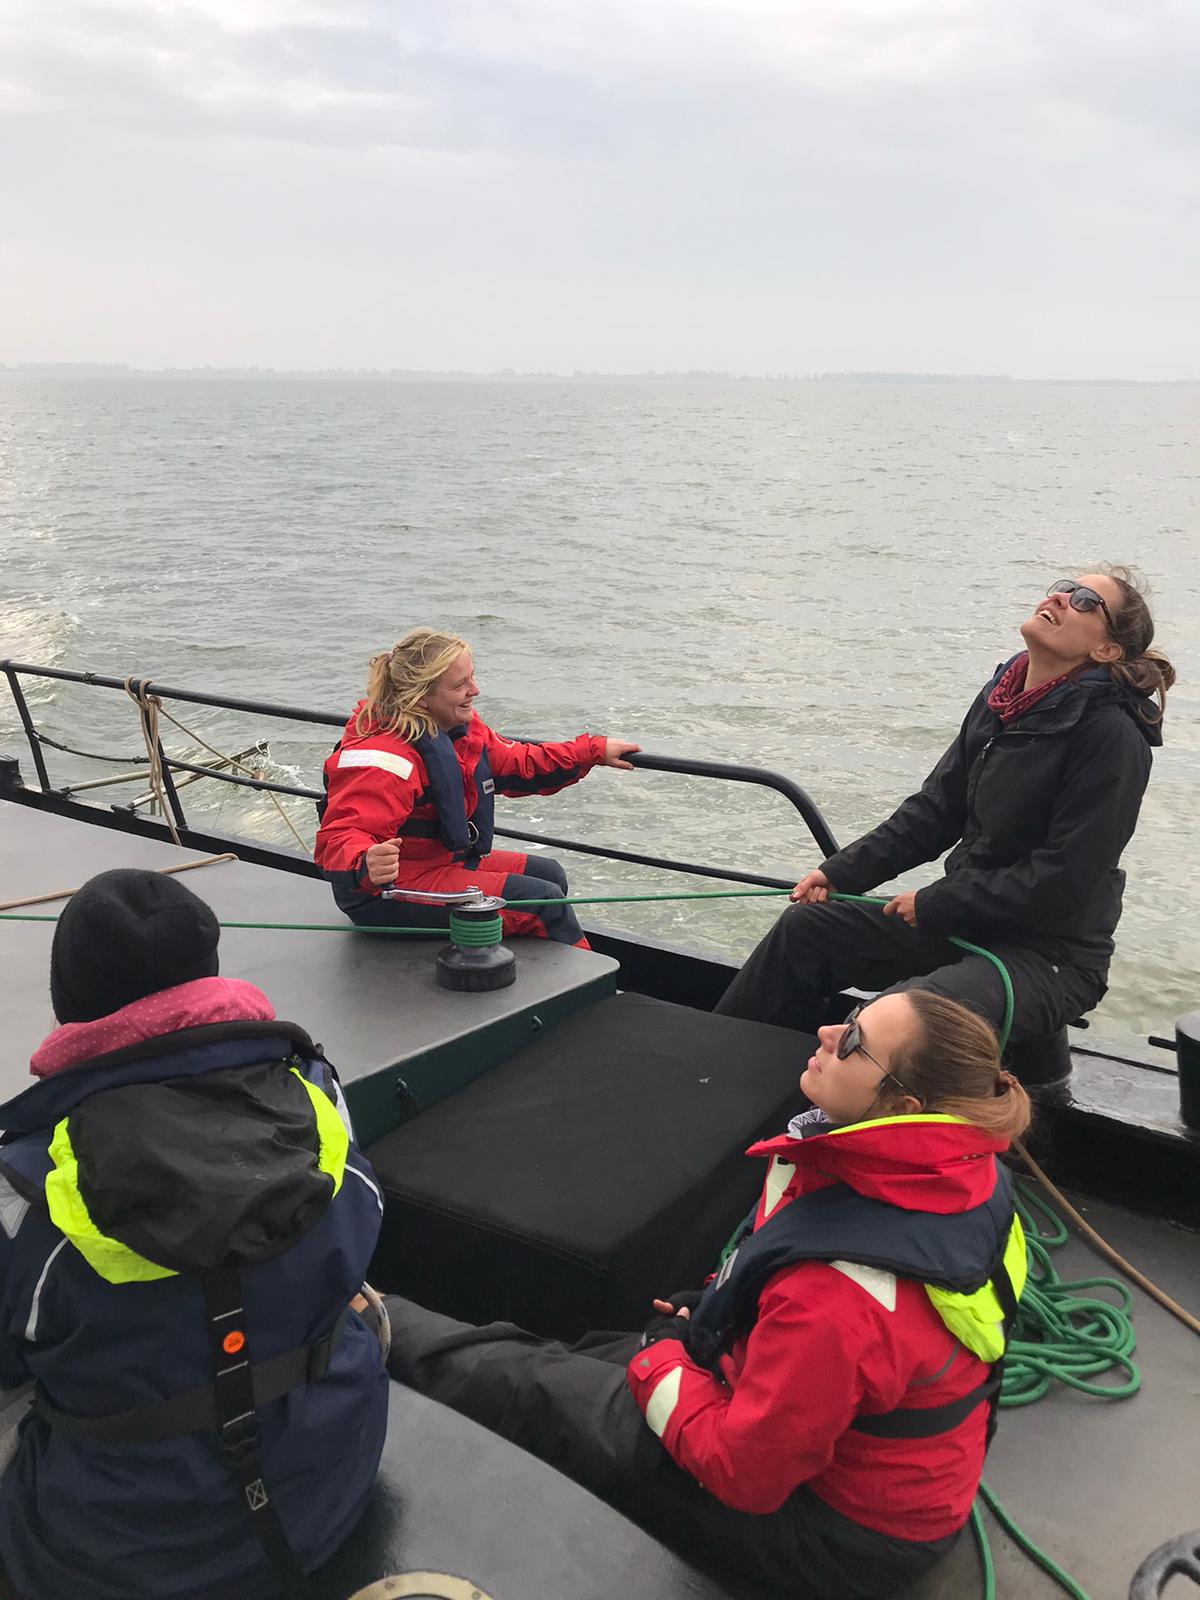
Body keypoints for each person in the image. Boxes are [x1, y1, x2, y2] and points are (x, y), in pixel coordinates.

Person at [380, 989, 1032, 1600]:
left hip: (832, 1533)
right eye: (850, 1018)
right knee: (590, 1356)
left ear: (902, 1109)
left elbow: (745, 1473)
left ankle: (368, 1320)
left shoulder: (840, 1294)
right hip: (873, 1470)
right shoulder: (965, 1179)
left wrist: (661, 1360)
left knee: (529, 1386)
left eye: (854, 1041)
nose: (828, 1032)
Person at [0, 869, 388, 1600]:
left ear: (69, 1002)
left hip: (116, 1562)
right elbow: (362, 1226)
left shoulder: (25, 1180)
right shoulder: (316, 1096)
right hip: (332, 1490)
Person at [716, 567, 1175, 1077]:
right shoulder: (1003, 696)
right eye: (1065, 587)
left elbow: (1065, 876)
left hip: (1049, 955)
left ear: (1107, 650)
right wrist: (841, 872)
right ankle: (717, 1076)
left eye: (1087, 601)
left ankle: (828, 1117)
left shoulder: (1112, 737)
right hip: (966, 924)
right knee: (805, 932)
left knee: (889, 1023)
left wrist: (936, 902)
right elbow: (936, 810)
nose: (1064, 598)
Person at [314, 628, 640, 947]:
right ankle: (590, 982)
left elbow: (518, 762)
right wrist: (365, 861)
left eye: (472, 677)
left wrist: (592, 751)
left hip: (439, 863)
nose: (475, 690)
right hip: (386, 891)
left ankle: (524, 966)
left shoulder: (459, 732)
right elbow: (341, 835)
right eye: (460, 685)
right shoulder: (382, 759)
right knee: (541, 902)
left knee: (550, 874)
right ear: (422, 699)